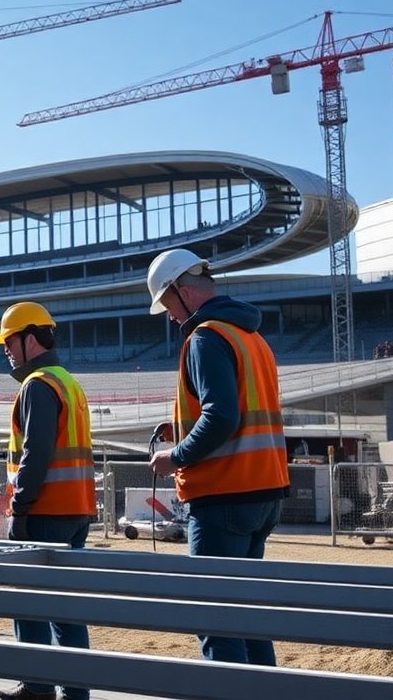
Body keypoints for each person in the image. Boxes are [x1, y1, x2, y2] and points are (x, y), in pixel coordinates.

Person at [145, 249, 290, 665]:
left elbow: (222, 415)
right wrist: (183, 428)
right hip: (262, 492)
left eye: (168, 304)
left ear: (183, 291)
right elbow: (240, 411)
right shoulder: (251, 337)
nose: (170, 316)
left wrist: (176, 456)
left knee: (216, 617)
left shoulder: (205, 337)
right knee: (246, 615)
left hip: (223, 495)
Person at [0, 302, 95, 700]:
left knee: (30, 601)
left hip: (44, 512)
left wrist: (19, 508)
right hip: (75, 511)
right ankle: (72, 691)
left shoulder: (38, 385)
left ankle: (37, 686)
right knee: (66, 610)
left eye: (10, 342)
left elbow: (36, 453)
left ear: (29, 340)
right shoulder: (67, 381)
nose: (5, 350)